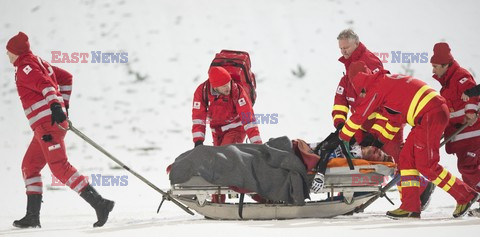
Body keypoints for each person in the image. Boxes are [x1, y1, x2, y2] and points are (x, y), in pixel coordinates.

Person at [336, 61, 479, 219]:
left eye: (361, 92)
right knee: (405, 159)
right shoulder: (385, 82)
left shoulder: (376, 87)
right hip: (427, 116)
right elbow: (393, 121)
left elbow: (359, 116)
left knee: (427, 166)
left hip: (430, 114)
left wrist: (343, 137)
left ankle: (465, 196)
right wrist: (378, 141)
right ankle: (410, 206)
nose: (362, 95)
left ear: (359, 81)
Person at [7, 32, 114, 228]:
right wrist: (63, 106)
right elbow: (65, 78)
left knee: (60, 167)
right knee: (29, 166)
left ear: (16, 52)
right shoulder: (37, 62)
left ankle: (100, 203)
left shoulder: (26, 67)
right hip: (45, 126)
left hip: (48, 125)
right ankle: (32, 216)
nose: (7, 55)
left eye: (9, 52)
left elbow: (45, 85)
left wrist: (57, 107)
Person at [332, 29, 435, 209]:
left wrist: (376, 134)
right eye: (341, 49)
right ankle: (356, 191)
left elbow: (379, 100)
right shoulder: (350, 68)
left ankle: (417, 192)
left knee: (396, 158)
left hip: (386, 121)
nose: (343, 52)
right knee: (361, 158)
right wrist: (340, 123)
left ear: (356, 43)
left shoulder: (369, 63)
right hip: (362, 123)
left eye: (346, 47)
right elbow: (342, 99)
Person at [191, 66, 262, 202]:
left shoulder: (237, 91)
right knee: (218, 165)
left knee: (222, 161)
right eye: (223, 86)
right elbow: (198, 118)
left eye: (228, 83)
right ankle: (218, 201)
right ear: (214, 86)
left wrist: (257, 144)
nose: (227, 87)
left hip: (236, 129)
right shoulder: (202, 92)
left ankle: (257, 194)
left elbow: (249, 120)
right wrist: (198, 141)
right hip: (217, 132)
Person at [430, 42, 480, 215]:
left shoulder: (461, 77)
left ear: (446, 65)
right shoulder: (446, 84)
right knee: (468, 171)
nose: (433, 70)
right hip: (461, 137)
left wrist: (471, 112)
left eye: (436, 66)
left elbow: (473, 94)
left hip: (472, 133)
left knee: (469, 169)